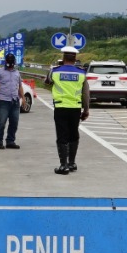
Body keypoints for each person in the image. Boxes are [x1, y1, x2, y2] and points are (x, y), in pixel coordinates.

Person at [49, 46, 90, 174]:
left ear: (63, 57)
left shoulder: (54, 71)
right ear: (75, 58)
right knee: (73, 135)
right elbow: (86, 94)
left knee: (62, 136)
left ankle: (63, 165)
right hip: (75, 108)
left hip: (61, 107)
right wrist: (86, 110)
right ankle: (72, 163)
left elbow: (47, 82)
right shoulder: (82, 73)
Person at [0, 53, 26, 149]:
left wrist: (23, 98)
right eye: (9, 61)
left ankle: (10, 141)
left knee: (14, 122)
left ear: (14, 62)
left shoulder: (17, 73)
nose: (10, 63)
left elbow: (19, 86)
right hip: (3, 101)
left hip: (14, 101)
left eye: (12, 61)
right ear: (6, 61)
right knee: (1, 122)